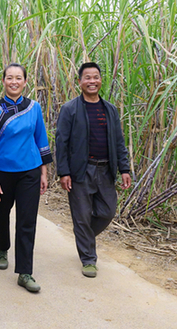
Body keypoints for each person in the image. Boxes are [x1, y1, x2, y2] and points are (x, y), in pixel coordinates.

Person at [55, 62, 132, 278]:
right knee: (81, 216)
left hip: (105, 169)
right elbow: (61, 142)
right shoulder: (70, 109)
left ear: (100, 80)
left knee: (107, 212)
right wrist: (64, 172)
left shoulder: (110, 109)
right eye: (87, 77)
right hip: (80, 170)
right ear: (79, 82)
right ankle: (88, 259)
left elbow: (119, 141)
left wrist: (124, 169)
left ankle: (84, 237)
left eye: (95, 77)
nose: (92, 81)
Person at [0, 63, 52, 293]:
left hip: (30, 171)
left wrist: (44, 172)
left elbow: (41, 139)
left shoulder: (34, 107)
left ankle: (25, 271)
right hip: (2, 172)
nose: (14, 81)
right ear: (3, 81)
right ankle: (2, 249)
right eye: (9, 78)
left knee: (27, 221)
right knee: (1, 215)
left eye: (18, 78)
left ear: (24, 81)